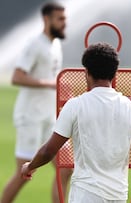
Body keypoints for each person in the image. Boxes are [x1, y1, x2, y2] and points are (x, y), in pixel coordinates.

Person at [20, 43, 131, 203]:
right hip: (118, 196)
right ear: (115, 73)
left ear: (87, 73)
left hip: (85, 194)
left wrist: (30, 166)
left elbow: (49, 150)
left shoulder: (75, 106)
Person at [1, 2, 72, 203]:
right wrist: (51, 84)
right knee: (24, 173)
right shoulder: (34, 44)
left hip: (50, 118)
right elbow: (16, 77)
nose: (64, 23)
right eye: (60, 19)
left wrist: (61, 87)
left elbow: (53, 79)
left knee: (65, 168)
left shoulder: (56, 44)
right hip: (30, 117)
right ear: (46, 19)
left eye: (65, 19)